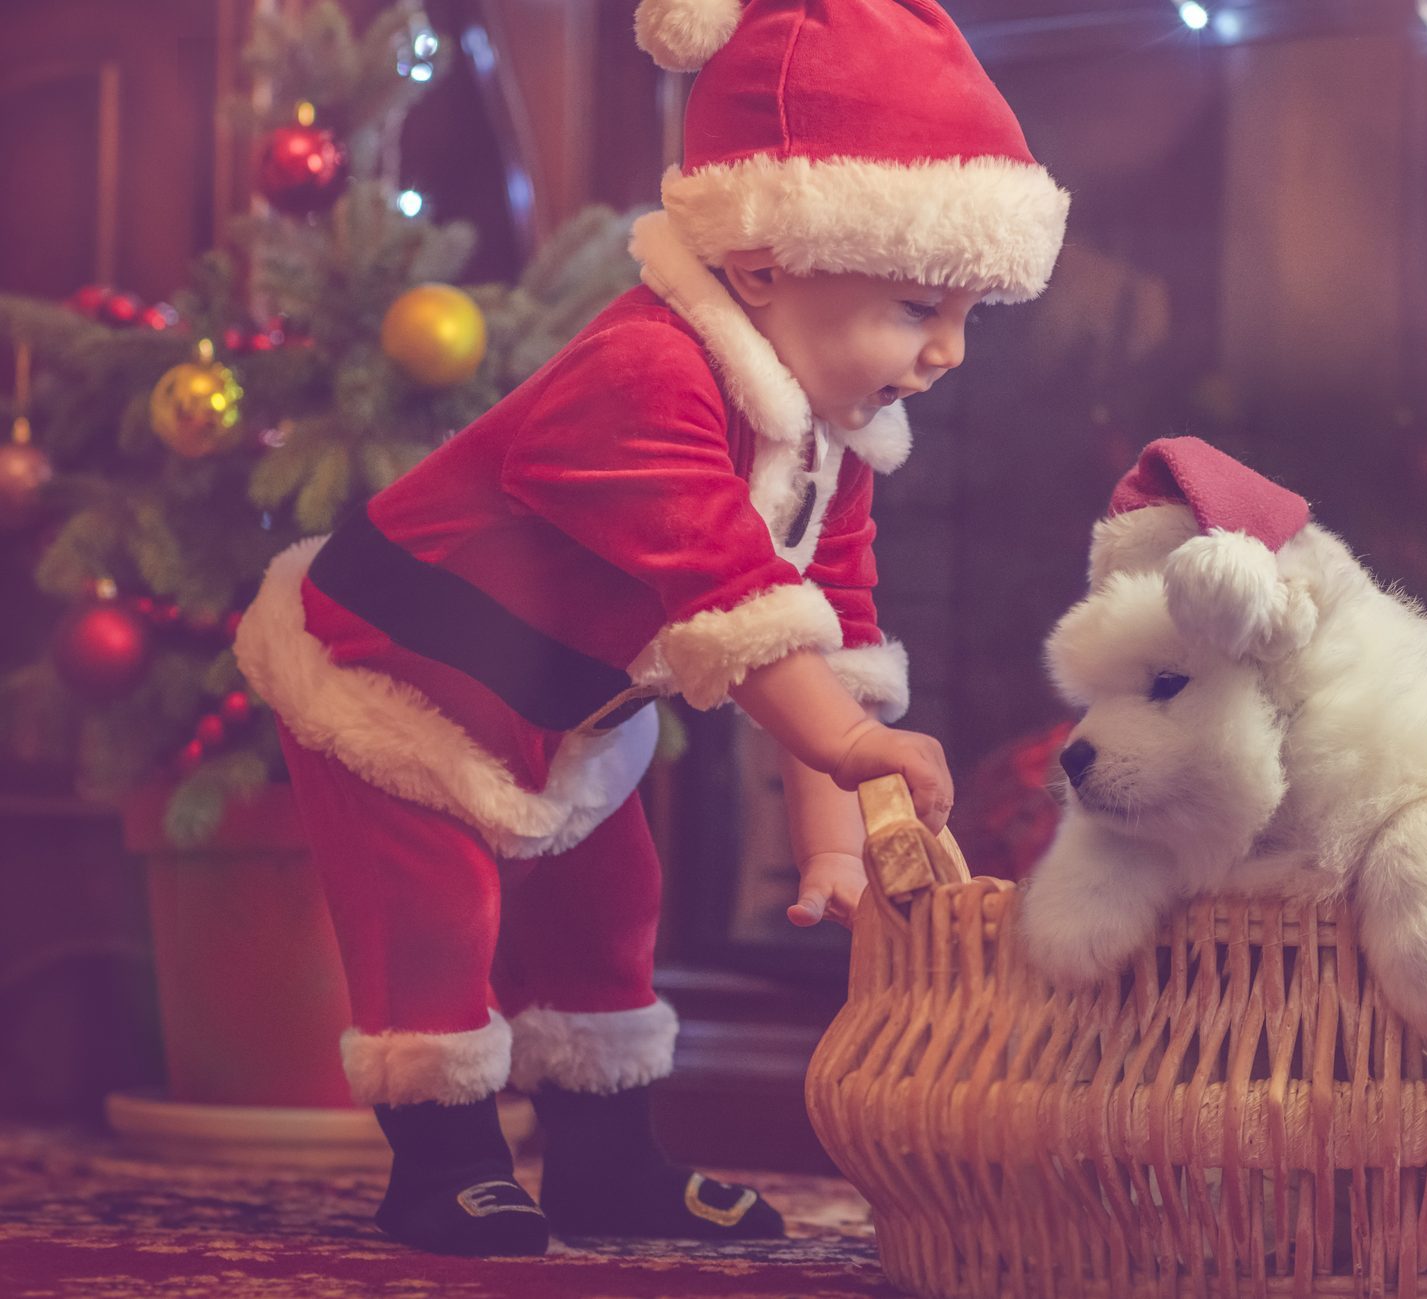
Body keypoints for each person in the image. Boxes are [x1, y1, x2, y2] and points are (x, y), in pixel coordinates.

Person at [232, 0, 1067, 1257]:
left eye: (966, 319)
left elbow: (829, 631)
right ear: (765, 261)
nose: (946, 354)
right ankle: (446, 1162)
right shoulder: (642, 374)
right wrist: (846, 748)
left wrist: (834, 844)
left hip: (558, 707)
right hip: (395, 672)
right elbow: (729, 596)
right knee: (435, 916)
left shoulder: (830, 440)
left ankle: (607, 1163)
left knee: (611, 904)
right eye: (914, 309)